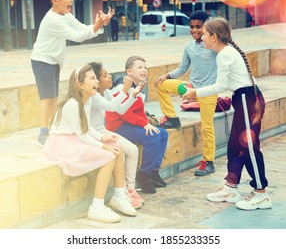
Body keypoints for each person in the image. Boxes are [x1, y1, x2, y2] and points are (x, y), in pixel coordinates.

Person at [183, 17, 272, 210]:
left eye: (205, 34)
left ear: (214, 36)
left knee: (248, 147)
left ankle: (261, 192)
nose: (202, 37)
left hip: (248, 100)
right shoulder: (225, 52)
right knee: (235, 145)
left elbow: (220, 86)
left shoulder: (224, 54)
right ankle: (231, 187)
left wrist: (196, 93)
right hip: (243, 99)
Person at [43, 64, 137, 223]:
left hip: (76, 138)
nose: (97, 82)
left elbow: (87, 127)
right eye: (92, 78)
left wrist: (102, 138)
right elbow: (82, 133)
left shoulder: (86, 101)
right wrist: (103, 145)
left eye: (96, 78)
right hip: (62, 144)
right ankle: (97, 206)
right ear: (79, 84)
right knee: (108, 156)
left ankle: (119, 196)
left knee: (117, 148)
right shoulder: (73, 104)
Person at [31, 0, 115, 148]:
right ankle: (43, 134)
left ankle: (55, 130)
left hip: (52, 62)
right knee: (46, 99)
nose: (71, 0)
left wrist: (100, 24)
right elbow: (76, 37)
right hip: (42, 61)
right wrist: (98, 25)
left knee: (53, 98)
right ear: (55, 0)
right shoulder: (52, 20)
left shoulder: (65, 15)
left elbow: (81, 28)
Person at [154, 11, 218, 176]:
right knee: (162, 85)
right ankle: (172, 119)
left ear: (207, 26)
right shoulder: (189, 47)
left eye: (198, 27)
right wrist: (166, 75)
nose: (194, 30)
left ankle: (208, 161)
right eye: (191, 27)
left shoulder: (215, 46)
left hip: (208, 93)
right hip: (190, 88)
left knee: (207, 126)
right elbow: (183, 69)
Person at [105, 56, 169, 194]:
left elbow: (138, 111)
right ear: (129, 72)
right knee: (152, 136)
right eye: (139, 67)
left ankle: (153, 171)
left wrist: (146, 122)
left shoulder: (139, 85)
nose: (144, 70)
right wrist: (144, 124)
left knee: (163, 133)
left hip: (129, 123)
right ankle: (144, 175)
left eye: (145, 67)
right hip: (118, 126)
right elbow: (122, 112)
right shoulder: (122, 86)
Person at [89, 62, 145, 208]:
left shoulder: (105, 92)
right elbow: (112, 106)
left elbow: (119, 110)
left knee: (133, 150)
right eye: (105, 75)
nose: (110, 77)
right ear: (96, 80)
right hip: (93, 134)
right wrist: (126, 88)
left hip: (102, 131)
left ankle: (130, 189)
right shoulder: (93, 95)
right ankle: (122, 191)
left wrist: (133, 95)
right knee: (120, 152)